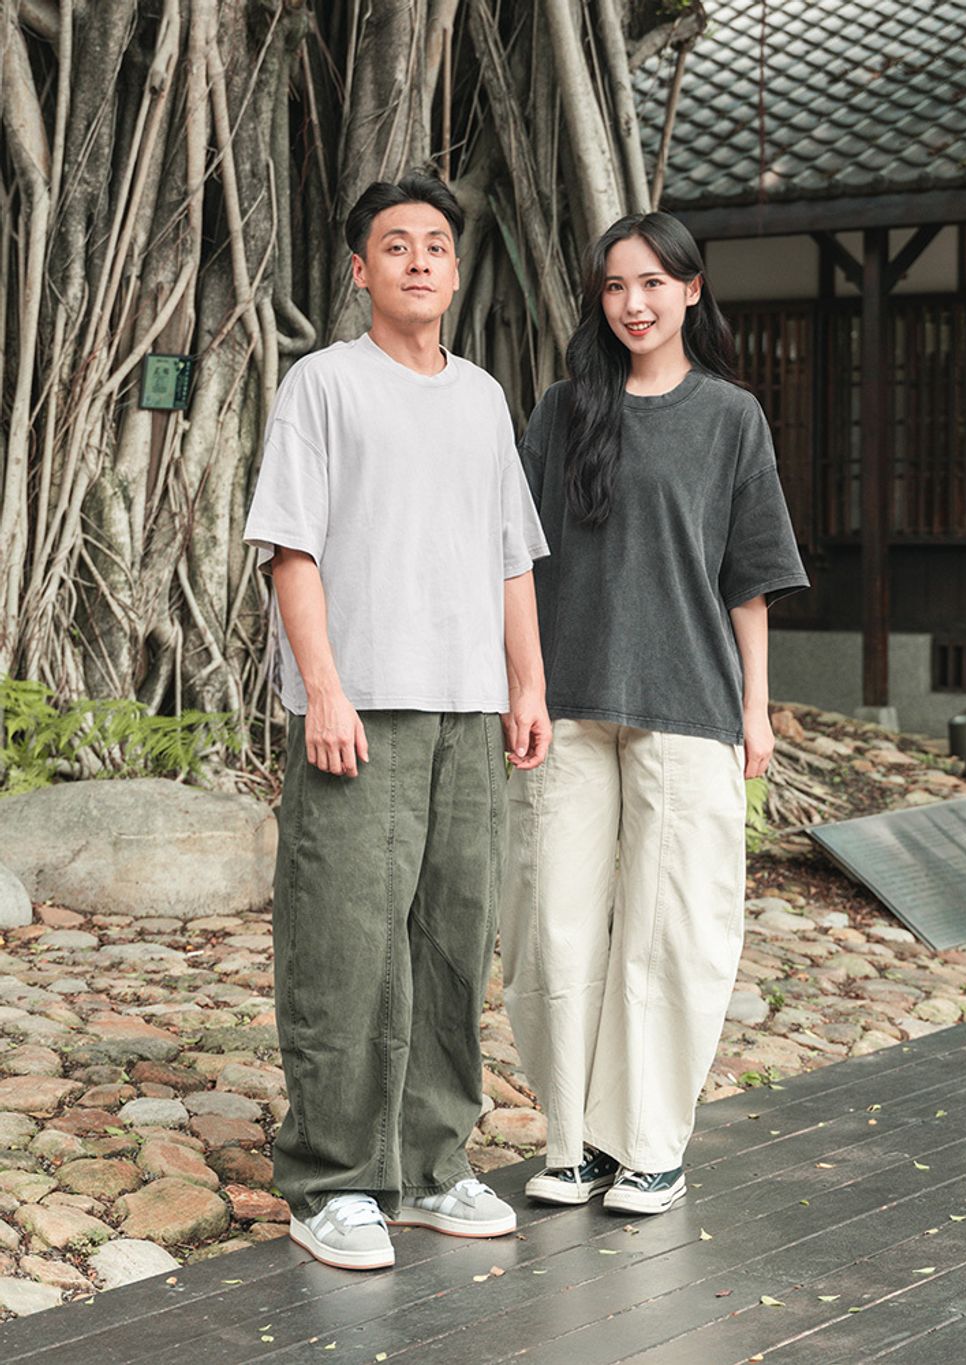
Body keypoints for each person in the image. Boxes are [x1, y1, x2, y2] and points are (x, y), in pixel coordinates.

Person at [243, 173, 551, 1270]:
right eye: (395, 244)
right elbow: (291, 547)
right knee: (343, 940)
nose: (418, 259)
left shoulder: (483, 397)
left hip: (470, 708)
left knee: (454, 937)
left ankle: (430, 1165)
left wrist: (528, 682)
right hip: (362, 707)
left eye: (435, 244)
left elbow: (510, 555)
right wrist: (322, 687)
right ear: (360, 269)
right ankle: (331, 1179)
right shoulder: (323, 384)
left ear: (456, 270)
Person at [500, 212, 809, 1217]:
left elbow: (749, 581)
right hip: (567, 703)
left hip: (688, 702)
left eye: (651, 283)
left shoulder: (730, 417)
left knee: (672, 933)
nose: (633, 304)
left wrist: (755, 711)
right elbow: (514, 559)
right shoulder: (561, 411)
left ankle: (649, 1147)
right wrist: (521, 683)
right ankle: (576, 1141)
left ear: (690, 289)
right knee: (551, 929)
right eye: (614, 286)